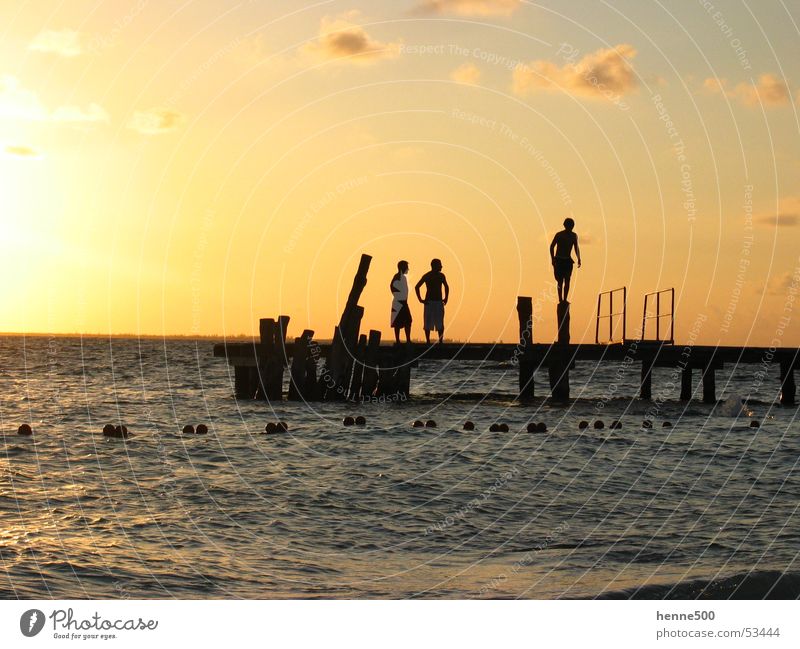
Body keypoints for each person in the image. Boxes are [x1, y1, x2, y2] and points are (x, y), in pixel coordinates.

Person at [415, 258, 450, 344]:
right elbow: (417, 286)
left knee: (440, 322)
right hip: (429, 302)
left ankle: (440, 341)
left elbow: (446, 286)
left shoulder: (441, 276)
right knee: (428, 322)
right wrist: (420, 299)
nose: (441, 267)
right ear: (434, 266)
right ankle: (428, 341)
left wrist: (446, 298)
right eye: (439, 265)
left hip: (438, 302)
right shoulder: (427, 276)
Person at [549, 217, 581, 303]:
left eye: (571, 226)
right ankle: (560, 299)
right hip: (559, 260)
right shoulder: (559, 235)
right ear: (565, 225)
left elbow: (576, 248)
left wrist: (579, 258)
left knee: (567, 279)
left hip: (567, 261)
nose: (570, 227)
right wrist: (552, 259)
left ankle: (565, 299)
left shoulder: (574, 236)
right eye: (568, 225)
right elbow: (552, 246)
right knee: (560, 281)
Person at [390, 260, 412, 343]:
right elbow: (392, 286)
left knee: (406, 321)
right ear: (402, 267)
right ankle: (399, 340)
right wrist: (398, 296)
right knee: (399, 322)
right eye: (406, 267)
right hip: (399, 302)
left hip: (403, 302)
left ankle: (407, 340)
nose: (408, 269)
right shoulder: (398, 276)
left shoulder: (402, 277)